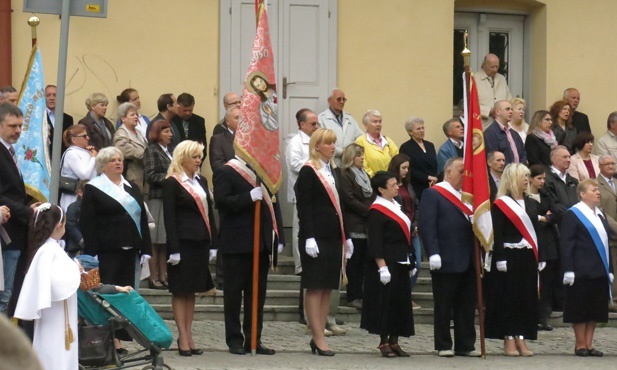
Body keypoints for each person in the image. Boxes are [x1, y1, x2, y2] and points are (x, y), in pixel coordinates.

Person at [80, 147, 152, 352]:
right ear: (103, 165)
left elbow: (143, 220)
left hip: (131, 250)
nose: (118, 163)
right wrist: (91, 252)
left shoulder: (132, 188)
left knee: (126, 295)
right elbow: (88, 222)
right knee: (107, 295)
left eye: (120, 159)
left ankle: (121, 335)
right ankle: (110, 339)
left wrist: (146, 248)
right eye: (113, 160)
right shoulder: (94, 188)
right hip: (107, 250)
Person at [213, 154, 284, 356]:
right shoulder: (226, 171)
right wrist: (247, 198)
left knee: (257, 296)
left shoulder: (262, 174)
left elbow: (273, 205)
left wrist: (279, 236)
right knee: (234, 296)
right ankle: (234, 339)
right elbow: (222, 202)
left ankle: (254, 339)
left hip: (260, 244)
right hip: (236, 244)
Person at [295, 128, 353, 356]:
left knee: (328, 287)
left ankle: (321, 332)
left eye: (333, 143)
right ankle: (318, 337)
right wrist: (309, 236)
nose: (332, 147)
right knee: (315, 286)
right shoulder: (309, 171)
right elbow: (305, 206)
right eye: (328, 143)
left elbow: (341, 207)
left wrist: (346, 236)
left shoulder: (334, 171)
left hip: (333, 236)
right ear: (317, 146)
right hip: (315, 236)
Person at [418, 157, 479, 358]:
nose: (465, 176)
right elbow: (428, 226)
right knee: (444, 305)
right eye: (461, 171)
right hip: (445, 256)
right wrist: (432, 252)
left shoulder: (467, 196)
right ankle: (443, 344)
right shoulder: (434, 194)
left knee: (467, 305)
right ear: (449, 171)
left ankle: (465, 344)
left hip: (469, 258)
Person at [163, 140, 217, 357]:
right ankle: (182, 336)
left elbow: (210, 213)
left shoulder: (201, 181)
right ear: (182, 158)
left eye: (199, 156)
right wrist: (173, 248)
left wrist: (214, 242)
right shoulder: (172, 183)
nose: (199, 160)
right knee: (180, 290)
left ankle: (189, 335)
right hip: (182, 243)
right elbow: (170, 217)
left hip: (200, 243)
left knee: (192, 290)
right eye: (194, 156)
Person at [13, 204, 80, 370]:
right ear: (59, 225)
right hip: (53, 313)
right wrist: (75, 270)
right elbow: (56, 283)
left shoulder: (49, 248)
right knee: (54, 351)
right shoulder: (48, 251)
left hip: (56, 312)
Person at [485, 163, 540, 357]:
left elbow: (537, 231)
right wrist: (499, 257)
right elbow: (497, 233)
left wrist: (540, 256)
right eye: (522, 176)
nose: (526, 180)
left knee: (525, 296)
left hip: (527, 254)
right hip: (509, 255)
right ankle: (508, 337)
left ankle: (522, 336)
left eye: (527, 176)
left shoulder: (532, 203)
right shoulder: (501, 204)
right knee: (509, 297)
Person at [361, 171, 415, 357]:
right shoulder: (376, 211)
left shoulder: (396, 206)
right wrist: (382, 267)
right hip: (387, 261)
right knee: (386, 303)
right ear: (381, 189)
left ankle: (395, 340)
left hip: (400, 259)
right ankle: (383, 341)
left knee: (399, 302)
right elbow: (375, 241)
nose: (396, 187)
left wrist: (411, 258)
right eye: (392, 185)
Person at [561, 179, 613, 357]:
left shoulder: (600, 214)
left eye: (598, 189)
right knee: (580, 309)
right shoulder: (573, 214)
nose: (598, 192)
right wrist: (568, 269)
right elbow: (567, 243)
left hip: (599, 269)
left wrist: (610, 269)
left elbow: (606, 244)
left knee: (594, 309)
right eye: (593, 190)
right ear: (582, 194)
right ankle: (580, 344)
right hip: (580, 269)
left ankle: (589, 344)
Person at [0, 103, 37, 314]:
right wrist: (27, 211)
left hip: (16, 232)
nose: (17, 131)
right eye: (12, 125)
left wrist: (31, 206)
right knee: (4, 294)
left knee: (9, 293)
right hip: (6, 234)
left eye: (20, 126)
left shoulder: (10, 151)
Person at [285, 108, 319, 323]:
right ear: (302, 125)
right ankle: (300, 266)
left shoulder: (318, 140)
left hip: (318, 196)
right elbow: (294, 164)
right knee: (301, 231)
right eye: (313, 124)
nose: (316, 127)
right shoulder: (295, 142)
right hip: (302, 193)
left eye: (317, 123)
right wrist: (314, 163)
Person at [340, 143, 375, 311]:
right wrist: (367, 210)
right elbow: (348, 198)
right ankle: (353, 295)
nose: (362, 158)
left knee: (363, 262)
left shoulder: (365, 174)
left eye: (363, 155)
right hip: (354, 221)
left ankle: (362, 294)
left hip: (366, 223)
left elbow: (371, 194)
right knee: (354, 262)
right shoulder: (346, 174)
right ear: (351, 157)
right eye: (359, 155)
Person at [527, 165, 560, 331]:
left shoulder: (546, 194)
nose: (542, 182)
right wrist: (542, 216)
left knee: (546, 282)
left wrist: (546, 218)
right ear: (531, 179)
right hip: (533, 240)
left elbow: (557, 212)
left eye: (544, 178)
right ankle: (531, 315)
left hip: (547, 242)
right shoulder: (526, 196)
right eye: (539, 178)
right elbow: (530, 216)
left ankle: (544, 316)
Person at [388, 154, 422, 310]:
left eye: (408, 168)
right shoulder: (390, 186)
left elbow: (416, 205)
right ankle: (401, 296)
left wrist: (415, 224)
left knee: (418, 263)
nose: (406, 171)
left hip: (412, 229)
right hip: (399, 228)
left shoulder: (408, 185)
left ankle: (407, 294)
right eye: (403, 168)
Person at [144, 119, 174, 289]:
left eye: (170, 131)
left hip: (168, 198)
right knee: (155, 240)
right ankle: (153, 276)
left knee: (164, 240)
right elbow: (151, 175)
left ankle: (164, 274)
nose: (170, 135)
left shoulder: (169, 151)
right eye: (166, 131)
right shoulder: (151, 150)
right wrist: (171, 178)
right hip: (157, 197)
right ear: (157, 133)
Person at [318, 88, 363, 166]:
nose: (342, 102)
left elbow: (360, 137)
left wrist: (353, 152)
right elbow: (321, 141)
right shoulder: (322, 118)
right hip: (332, 162)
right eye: (339, 99)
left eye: (344, 99)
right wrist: (342, 152)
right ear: (329, 101)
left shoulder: (350, 118)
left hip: (350, 163)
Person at [595, 155, 617, 309]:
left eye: (613, 163)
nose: (611, 166)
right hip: (610, 233)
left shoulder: (616, 182)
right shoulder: (596, 184)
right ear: (600, 166)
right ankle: (612, 299)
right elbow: (600, 210)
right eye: (607, 164)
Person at [59, 124, 97, 211]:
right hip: (72, 199)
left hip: (87, 196)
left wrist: (93, 155)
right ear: (74, 139)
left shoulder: (86, 152)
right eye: (84, 136)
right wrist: (93, 158)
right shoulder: (71, 153)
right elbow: (84, 176)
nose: (88, 138)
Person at [399, 116, 437, 200]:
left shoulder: (430, 145)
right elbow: (409, 168)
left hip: (433, 184)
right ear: (410, 132)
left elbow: (434, 164)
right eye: (418, 129)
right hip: (417, 186)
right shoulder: (406, 147)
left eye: (423, 128)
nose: (421, 131)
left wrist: (433, 179)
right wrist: (427, 177)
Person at [114, 102, 148, 192]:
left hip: (144, 175)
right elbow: (126, 151)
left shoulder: (139, 132)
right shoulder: (121, 133)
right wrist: (148, 155)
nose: (136, 117)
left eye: (136, 114)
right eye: (132, 115)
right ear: (123, 118)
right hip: (132, 175)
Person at [354, 110, 399, 177]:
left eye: (380, 121)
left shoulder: (388, 141)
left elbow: (397, 159)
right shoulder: (360, 141)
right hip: (372, 181)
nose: (378, 124)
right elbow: (363, 165)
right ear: (366, 125)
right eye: (375, 122)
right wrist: (376, 178)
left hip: (391, 181)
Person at [475, 54, 512, 129]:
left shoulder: (501, 78)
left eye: (497, 67)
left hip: (502, 124)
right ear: (483, 65)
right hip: (483, 124)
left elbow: (509, 99)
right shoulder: (473, 79)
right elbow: (470, 104)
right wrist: (488, 111)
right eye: (492, 67)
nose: (495, 69)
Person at [484, 100, 526, 165]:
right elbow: (493, 157)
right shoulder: (490, 133)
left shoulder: (514, 133)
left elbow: (523, 153)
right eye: (507, 109)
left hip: (518, 173)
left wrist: (520, 168)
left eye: (512, 109)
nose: (511, 112)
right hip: (503, 173)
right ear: (498, 112)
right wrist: (510, 170)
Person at [171, 93, 207, 161]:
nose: (187, 113)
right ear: (178, 106)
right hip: (176, 162)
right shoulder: (171, 121)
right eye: (185, 110)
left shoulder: (199, 121)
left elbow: (203, 147)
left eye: (190, 110)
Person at [44, 84, 74, 157]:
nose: (51, 98)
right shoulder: (40, 118)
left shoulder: (68, 119)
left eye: (55, 95)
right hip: (44, 159)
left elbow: (69, 142)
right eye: (48, 95)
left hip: (62, 159)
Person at [209, 106, 239, 171]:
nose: (241, 121)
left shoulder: (251, 140)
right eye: (237, 118)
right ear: (227, 122)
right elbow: (218, 166)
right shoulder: (218, 140)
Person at [65, 180, 88, 256]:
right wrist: (82, 241)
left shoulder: (95, 208)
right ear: (80, 192)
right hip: (75, 248)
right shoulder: (73, 207)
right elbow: (71, 227)